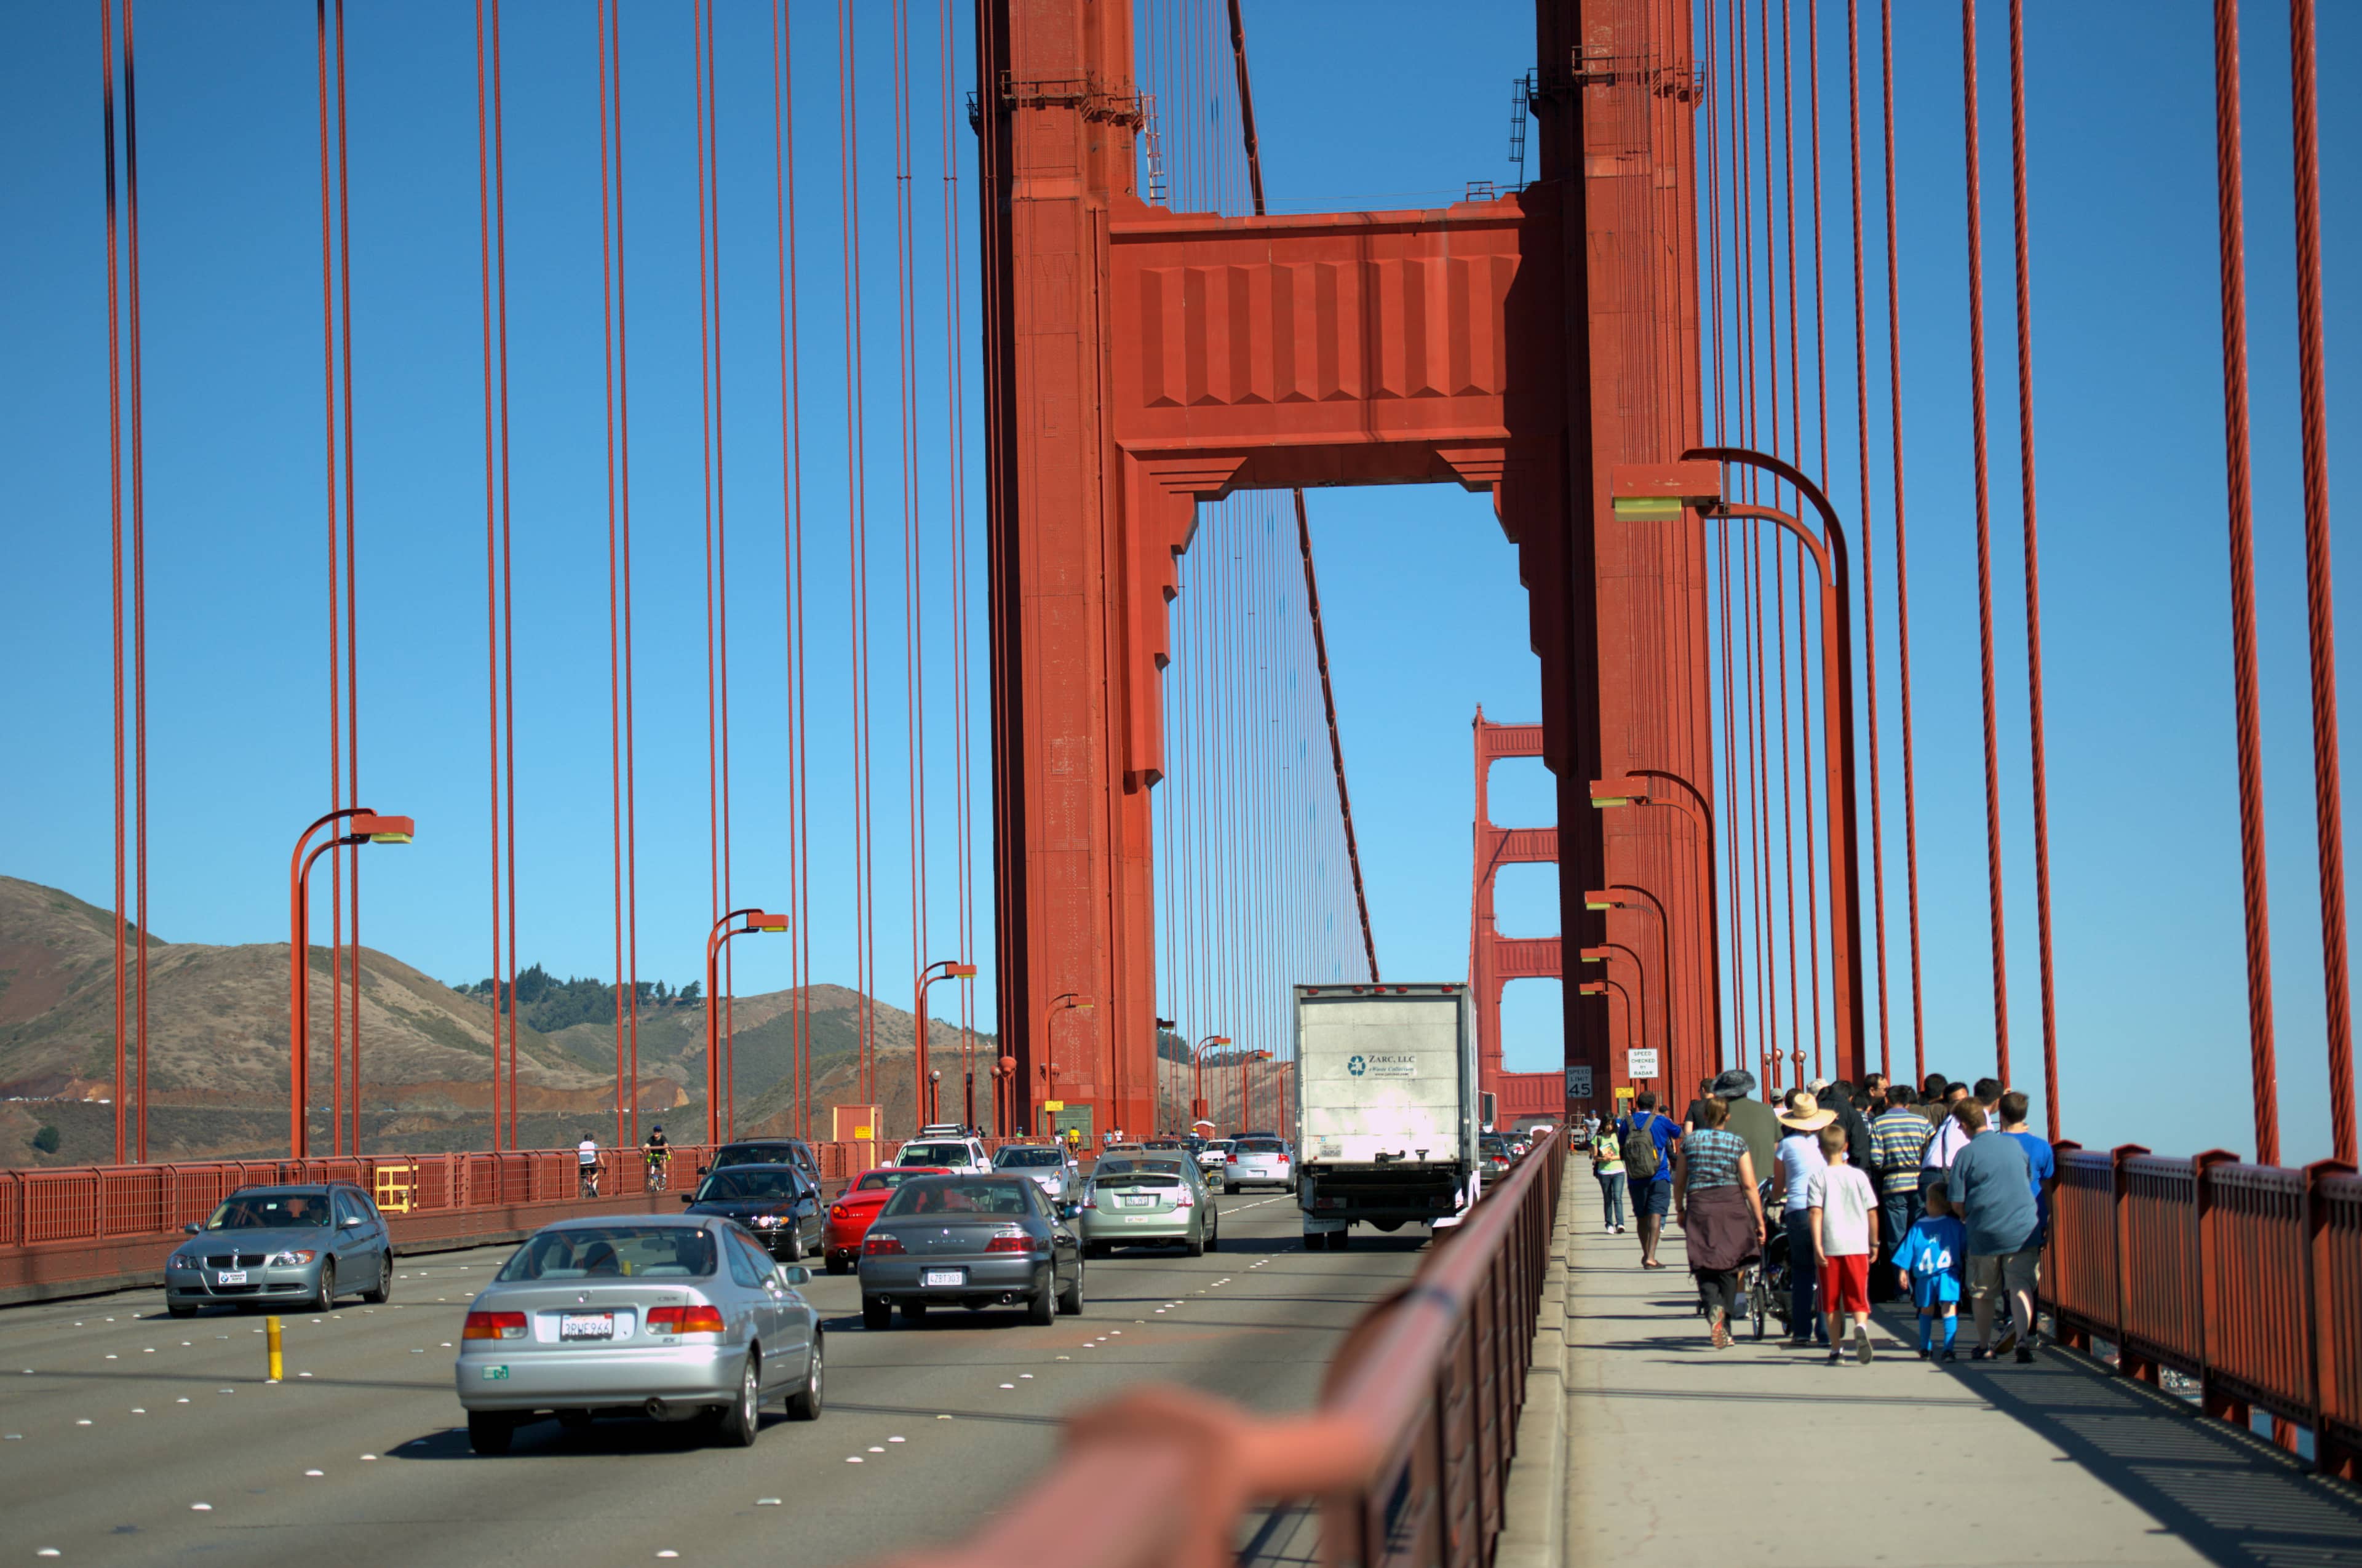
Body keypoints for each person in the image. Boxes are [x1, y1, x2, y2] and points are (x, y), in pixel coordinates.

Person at [1943, 1099, 2040, 1362]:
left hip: (1985, 1231)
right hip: (2023, 1229)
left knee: (1983, 1291)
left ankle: (1985, 1346)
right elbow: (2028, 1178)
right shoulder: (2013, 1145)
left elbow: (1957, 1203)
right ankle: (2022, 1341)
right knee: (2020, 1285)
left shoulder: (1965, 1154)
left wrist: (1967, 1218)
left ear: (1963, 1126)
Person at [1672, 1096, 1765, 1348]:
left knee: (1703, 1259)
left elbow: (1680, 1179)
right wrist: (1758, 1220)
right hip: (1730, 1203)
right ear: (1727, 1117)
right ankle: (1725, 1324)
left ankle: (1712, 1305)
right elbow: (1748, 1184)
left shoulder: (1690, 1142)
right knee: (1730, 1261)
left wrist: (1679, 1208)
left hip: (1700, 1203)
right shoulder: (1736, 1143)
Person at [1805, 1121, 1880, 1364]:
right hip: (1857, 1245)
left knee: (1830, 1301)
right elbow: (1871, 1212)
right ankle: (1861, 1327)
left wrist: (1817, 1245)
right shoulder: (1858, 1176)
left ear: (1821, 1149)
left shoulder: (1818, 1178)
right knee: (1859, 1297)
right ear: (1846, 1146)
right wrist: (1874, 1243)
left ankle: (1837, 1351)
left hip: (1830, 1245)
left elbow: (1815, 1213)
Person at [1770, 1089, 1834, 1345]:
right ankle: (1826, 1330)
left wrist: (1776, 1197)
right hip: (1827, 1209)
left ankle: (1801, 1331)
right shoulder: (1828, 1142)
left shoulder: (1786, 1145)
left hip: (1797, 1209)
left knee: (1802, 1270)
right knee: (1825, 1271)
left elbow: (1778, 1185)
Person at [1869, 1084, 1935, 1292]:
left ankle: (1902, 1288)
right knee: (1920, 1233)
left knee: (1896, 1237)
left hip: (1893, 1183)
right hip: (1919, 1181)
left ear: (1887, 1101)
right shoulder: (1923, 1122)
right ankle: (1921, 1284)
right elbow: (1932, 1149)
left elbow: (1876, 1159)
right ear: (1908, 1103)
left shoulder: (1878, 1123)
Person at [1895, 1181, 1968, 1360]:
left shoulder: (1918, 1226)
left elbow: (1908, 1250)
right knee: (1949, 1308)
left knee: (1926, 1309)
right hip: (1948, 1274)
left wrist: (1903, 1271)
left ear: (1931, 1203)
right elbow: (1967, 1248)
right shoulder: (1956, 1225)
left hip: (1925, 1276)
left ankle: (1925, 1347)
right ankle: (1948, 1348)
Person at [1620, 1092, 1680, 1269]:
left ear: (1637, 1105)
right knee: (1656, 1212)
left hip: (1635, 1176)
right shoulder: (1661, 1121)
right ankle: (1651, 1257)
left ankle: (1646, 1253)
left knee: (1641, 1216)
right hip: (1659, 1174)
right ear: (1654, 1105)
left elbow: (1622, 1142)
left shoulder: (1627, 1123)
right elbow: (1678, 1133)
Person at [1997, 1091, 2058, 1252]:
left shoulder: (1990, 1145)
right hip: (2029, 1225)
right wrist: (2049, 1221)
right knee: (2023, 1276)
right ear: (2024, 1115)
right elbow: (2047, 1186)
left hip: (1995, 1223)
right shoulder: (2042, 1146)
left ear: (2001, 1116)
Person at [1712, 1067, 1781, 1185]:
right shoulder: (1767, 1110)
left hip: (1733, 1188)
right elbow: (1777, 1149)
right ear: (1746, 1090)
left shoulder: (1719, 1115)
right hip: (1765, 1187)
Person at [1592, 1119, 1628, 1233]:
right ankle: (1609, 1224)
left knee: (1617, 1197)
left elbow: (1623, 1154)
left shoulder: (1618, 1136)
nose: (1609, 1127)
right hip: (1604, 1171)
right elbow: (1595, 1157)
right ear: (1603, 1125)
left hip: (1618, 1170)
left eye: (1611, 1124)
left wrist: (1613, 1158)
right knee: (1608, 1198)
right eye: (1607, 1124)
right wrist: (1603, 1159)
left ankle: (1620, 1224)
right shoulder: (1598, 1138)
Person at [641, 1123, 672, 1190]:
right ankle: (652, 1187)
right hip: (654, 1157)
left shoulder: (663, 1138)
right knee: (652, 1171)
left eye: (658, 1131)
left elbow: (666, 1145)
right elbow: (647, 1146)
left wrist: (667, 1152)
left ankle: (664, 1175)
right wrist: (642, 1151)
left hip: (661, 1155)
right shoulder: (651, 1139)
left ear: (660, 1133)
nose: (656, 1133)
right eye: (655, 1131)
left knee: (662, 1161)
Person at [577, 1131, 602, 1197]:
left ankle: (585, 1185)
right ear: (592, 1140)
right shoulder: (595, 1145)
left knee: (583, 1176)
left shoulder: (580, 1145)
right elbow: (600, 1158)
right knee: (595, 1173)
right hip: (591, 1162)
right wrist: (604, 1166)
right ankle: (594, 1186)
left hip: (582, 1162)